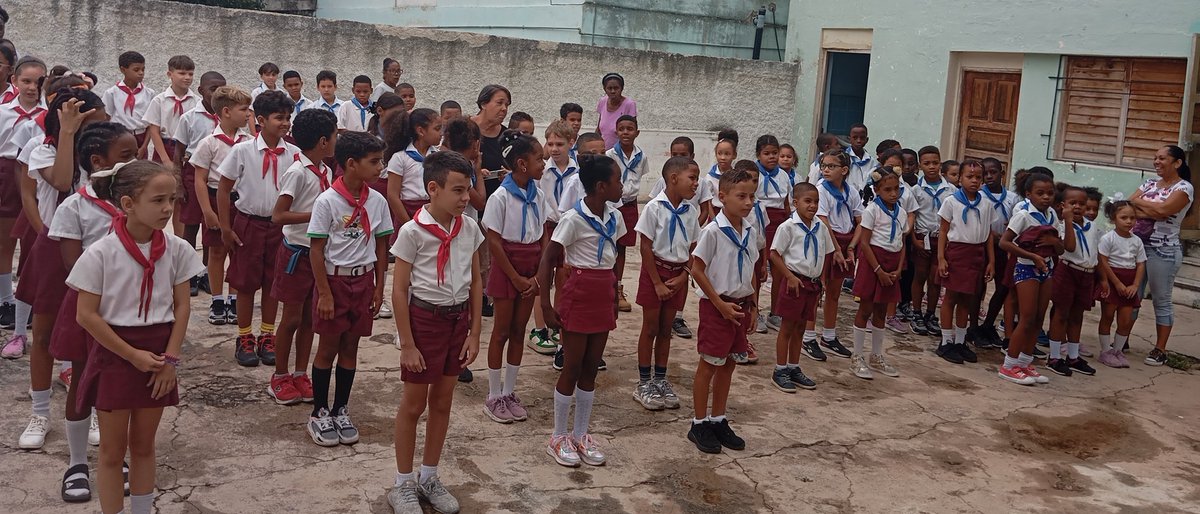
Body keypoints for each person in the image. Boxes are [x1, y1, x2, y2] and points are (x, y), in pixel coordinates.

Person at [69, 160, 205, 514]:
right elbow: (86, 315)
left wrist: (170, 360)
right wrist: (132, 355)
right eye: (158, 200)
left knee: (144, 445)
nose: (167, 209)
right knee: (113, 452)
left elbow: (182, 306)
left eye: (172, 200)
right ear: (128, 204)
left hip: (160, 354)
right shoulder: (100, 253)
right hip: (116, 353)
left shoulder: (177, 249)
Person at [47, 122, 137, 503]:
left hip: (131, 306)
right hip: (90, 307)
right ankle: (78, 462)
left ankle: (117, 457)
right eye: (127, 156)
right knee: (84, 381)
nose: (136, 162)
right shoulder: (74, 207)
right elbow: (73, 266)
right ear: (99, 162)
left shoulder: (136, 200)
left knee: (121, 387)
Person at [388, 150, 482, 514]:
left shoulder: (469, 227)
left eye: (468, 190)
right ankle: (403, 483)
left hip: (457, 322)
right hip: (424, 321)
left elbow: (475, 280)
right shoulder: (413, 232)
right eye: (458, 191)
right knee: (413, 405)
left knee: (443, 401)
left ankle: (429, 476)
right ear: (433, 188)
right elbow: (398, 290)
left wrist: (474, 332)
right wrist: (407, 344)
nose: (465, 198)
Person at [14, 87, 108, 451]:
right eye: (93, 123)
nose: (101, 130)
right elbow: (61, 179)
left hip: (97, 251)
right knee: (44, 335)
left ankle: (93, 406)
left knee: (91, 334)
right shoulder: (44, 151)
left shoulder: (102, 159)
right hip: (54, 249)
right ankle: (39, 412)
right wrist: (68, 133)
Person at [305, 131, 394, 446]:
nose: (380, 166)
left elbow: (383, 245)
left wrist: (379, 286)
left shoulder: (377, 200)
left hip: (363, 281)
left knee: (351, 348)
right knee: (328, 347)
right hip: (335, 281)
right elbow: (316, 249)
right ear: (351, 164)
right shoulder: (328, 200)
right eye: (374, 161)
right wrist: (325, 293)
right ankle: (319, 411)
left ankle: (341, 408)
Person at [538, 154, 625, 468]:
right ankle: (558, 436)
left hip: (602, 293)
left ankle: (581, 433)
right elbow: (549, 259)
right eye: (618, 180)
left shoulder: (616, 217)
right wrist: (546, 304)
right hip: (579, 292)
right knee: (572, 366)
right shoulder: (573, 218)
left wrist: (616, 292)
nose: (622, 185)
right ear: (602, 186)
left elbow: (615, 257)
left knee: (591, 367)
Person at [216, 90, 298, 367]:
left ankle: (266, 335)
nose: (285, 122)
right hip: (248, 223)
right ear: (261, 120)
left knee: (273, 284)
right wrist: (226, 228)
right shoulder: (242, 150)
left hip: (279, 228)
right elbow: (223, 188)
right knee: (245, 283)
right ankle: (244, 336)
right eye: (279, 118)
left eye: (288, 117)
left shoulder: (294, 154)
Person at [480, 130, 552, 423]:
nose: (543, 163)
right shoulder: (500, 197)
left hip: (531, 266)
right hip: (507, 267)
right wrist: (515, 277)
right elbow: (494, 241)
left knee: (520, 331)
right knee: (501, 331)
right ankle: (494, 395)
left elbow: (544, 235)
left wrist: (537, 275)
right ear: (522, 164)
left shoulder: (540, 195)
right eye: (538, 159)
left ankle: (510, 391)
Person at [266, 108, 336, 405]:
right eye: (333, 136)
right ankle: (279, 376)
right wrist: (318, 215)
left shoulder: (326, 171)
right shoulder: (297, 172)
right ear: (323, 141)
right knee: (291, 318)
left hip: (317, 255)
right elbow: (278, 215)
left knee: (311, 317)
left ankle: (299, 372)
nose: (336, 141)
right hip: (296, 254)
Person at [687, 167, 756, 454]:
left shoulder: (750, 229)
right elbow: (696, 268)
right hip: (717, 306)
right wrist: (719, 304)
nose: (748, 202)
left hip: (739, 305)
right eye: (741, 196)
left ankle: (718, 418)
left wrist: (752, 305)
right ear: (722, 196)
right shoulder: (713, 231)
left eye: (752, 196)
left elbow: (751, 269)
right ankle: (699, 422)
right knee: (709, 364)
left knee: (729, 363)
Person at [632, 156, 699, 410]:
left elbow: (694, 248)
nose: (696, 184)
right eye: (691, 178)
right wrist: (657, 282)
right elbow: (645, 247)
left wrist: (684, 276)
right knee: (650, 328)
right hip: (655, 273)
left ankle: (660, 379)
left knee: (666, 329)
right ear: (673, 179)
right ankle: (643, 382)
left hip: (678, 275)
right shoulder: (654, 208)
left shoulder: (690, 212)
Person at [189, 85, 250, 326]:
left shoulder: (249, 142)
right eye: (243, 109)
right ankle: (217, 299)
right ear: (226, 111)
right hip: (216, 200)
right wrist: (207, 211)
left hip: (241, 200)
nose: (248, 114)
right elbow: (200, 179)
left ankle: (234, 299)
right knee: (216, 252)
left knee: (238, 251)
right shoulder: (209, 143)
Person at [1129, 145, 1194, 366]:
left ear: (1177, 163)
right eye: (1155, 158)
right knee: (1131, 297)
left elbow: (1165, 211)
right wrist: (1154, 209)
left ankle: (1160, 349)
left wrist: (1143, 206)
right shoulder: (1148, 183)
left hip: (1163, 250)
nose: (1157, 162)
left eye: (1162, 158)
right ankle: (1122, 340)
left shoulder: (1184, 188)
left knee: (1161, 300)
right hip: (1137, 248)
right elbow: (1129, 205)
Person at [997, 172, 1063, 385]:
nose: (1046, 197)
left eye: (1050, 193)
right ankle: (1008, 365)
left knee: (1038, 318)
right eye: (1040, 193)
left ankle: (1025, 362)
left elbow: (1061, 247)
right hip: (1026, 269)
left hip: (1047, 268)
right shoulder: (1024, 215)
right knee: (1025, 317)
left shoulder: (1052, 214)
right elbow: (1005, 243)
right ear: (1028, 194)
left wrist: (1054, 242)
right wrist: (1032, 256)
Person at [0, 56, 46, 340]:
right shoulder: (3, 112)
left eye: (37, 82)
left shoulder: (49, 115)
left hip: (38, 178)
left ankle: (27, 300)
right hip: (5, 174)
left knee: (33, 242)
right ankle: (5, 299)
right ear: (14, 81)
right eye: (25, 81)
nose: (31, 88)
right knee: (5, 241)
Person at [768, 182, 827, 393]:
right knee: (787, 327)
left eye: (816, 202)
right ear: (795, 203)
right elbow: (774, 253)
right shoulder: (788, 227)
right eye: (808, 201)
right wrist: (789, 277)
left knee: (802, 327)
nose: (813, 206)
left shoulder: (820, 226)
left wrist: (822, 280)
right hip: (794, 282)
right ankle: (780, 369)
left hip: (812, 284)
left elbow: (825, 253)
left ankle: (794, 367)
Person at [935, 160, 993, 365]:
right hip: (957, 252)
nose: (974, 181)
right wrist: (941, 258)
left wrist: (991, 261)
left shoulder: (985, 203)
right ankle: (945, 341)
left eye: (978, 177)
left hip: (976, 254)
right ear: (960, 179)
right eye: (969, 176)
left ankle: (960, 341)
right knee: (950, 297)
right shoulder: (951, 202)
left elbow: (988, 235)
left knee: (967, 300)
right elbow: (943, 230)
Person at [849, 171, 906, 380]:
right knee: (865, 309)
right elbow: (864, 242)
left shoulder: (901, 212)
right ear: (877, 191)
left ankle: (876, 355)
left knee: (882, 311)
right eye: (887, 190)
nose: (893, 194)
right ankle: (857, 356)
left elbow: (902, 242)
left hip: (892, 263)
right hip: (873, 262)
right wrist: (878, 270)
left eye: (896, 189)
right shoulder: (872, 210)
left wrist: (899, 269)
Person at [528, 120, 577, 355]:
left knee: (564, 279)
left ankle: (557, 325)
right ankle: (539, 329)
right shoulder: (541, 172)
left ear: (571, 143)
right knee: (542, 279)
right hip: (546, 227)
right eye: (551, 143)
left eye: (560, 143)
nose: (555, 148)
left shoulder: (578, 172)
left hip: (569, 228)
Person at [1045, 184, 1098, 376]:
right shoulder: (1060, 226)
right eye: (1072, 203)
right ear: (1062, 205)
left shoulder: (1092, 226)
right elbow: (1069, 246)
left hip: (1086, 273)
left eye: (1082, 204)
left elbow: (1093, 251)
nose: (1078, 207)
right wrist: (1068, 221)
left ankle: (1073, 356)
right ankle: (1054, 357)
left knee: (1077, 315)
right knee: (1061, 314)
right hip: (1067, 271)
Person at [812, 151, 859, 360]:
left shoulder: (852, 192)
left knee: (834, 292)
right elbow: (823, 220)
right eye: (824, 165)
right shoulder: (821, 190)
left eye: (831, 166)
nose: (826, 170)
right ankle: (808, 336)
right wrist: (836, 250)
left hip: (845, 240)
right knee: (816, 291)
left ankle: (829, 336)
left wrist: (850, 247)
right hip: (826, 242)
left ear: (844, 170)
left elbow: (860, 221)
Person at [973, 157, 1019, 348]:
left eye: (994, 172)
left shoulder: (1012, 198)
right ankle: (973, 327)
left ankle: (988, 324)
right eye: (985, 173)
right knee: (978, 288)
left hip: (1004, 250)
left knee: (1003, 287)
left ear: (1002, 173)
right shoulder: (978, 196)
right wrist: (994, 236)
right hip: (983, 246)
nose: (989, 176)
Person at [909, 146, 954, 337]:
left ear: (940, 163)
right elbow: (910, 217)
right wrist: (914, 240)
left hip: (941, 239)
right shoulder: (915, 190)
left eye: (935, 163)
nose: (932, 167)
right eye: (927, 164)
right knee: (920, 276)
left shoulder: (951, 190)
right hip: (922, 238)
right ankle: (917, 313)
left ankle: (930, 314)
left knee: (936, 279)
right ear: (920, 166)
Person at [1096, 200, 1145, 369]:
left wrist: (1135, 285)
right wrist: (1115, 283)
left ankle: (1117, 350)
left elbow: (1140, 264)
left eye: (1132, 218)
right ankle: (1105, 351)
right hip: (1112, 280)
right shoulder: (1108, 238)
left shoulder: (1137, 241)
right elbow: (1103, 261)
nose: (1129, 221)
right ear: (1113, 218)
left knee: (1125, 320)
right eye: (1124, 217)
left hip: (1130, 282)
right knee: (1108, 316)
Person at [605, 114, 646, 313]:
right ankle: (606, 288)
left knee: (622, 248)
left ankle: (618, 288)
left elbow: (639, 178)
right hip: (613, 206)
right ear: (616, 132)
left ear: (637, 132)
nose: (625, 133)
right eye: (621, 129)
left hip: (630, 206)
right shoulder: (610, 155)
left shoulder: (642, 156)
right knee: (608, 245)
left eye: (630, 129)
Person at [754, 134, 789, 332]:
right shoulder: (753, 173)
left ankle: (775, 313)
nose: (772, 157)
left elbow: (785, 202)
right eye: (766, 153)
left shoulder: (783, 175)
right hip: (759, 222)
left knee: (779, 271)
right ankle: (755, 311)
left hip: (779, 223)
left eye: (775, 153)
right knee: (759, 271)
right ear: (758, 155)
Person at [385, 108, 442, 225]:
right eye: (437, 129)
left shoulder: (438, 156)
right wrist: (409, 224)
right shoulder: (400, 158)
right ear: (421, 131)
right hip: (407, 212)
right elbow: (392, 195)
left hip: (433, 211)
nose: (441, 133)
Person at [101, 51, 155, 157]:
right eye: (136, 69)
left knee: (141, 170)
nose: (141, 73)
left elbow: (151, 123)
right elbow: (106, 118)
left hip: (141, 137)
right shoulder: (112, 93)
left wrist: (144, 147)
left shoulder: (149, 93)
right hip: (119, 137)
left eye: (143, 69)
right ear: (123, 70)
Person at [595, 73, 636, 150]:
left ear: (622, 88)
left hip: (620, 152)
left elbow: (632, 132)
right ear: (604, 89)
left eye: (616, 88)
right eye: (609, 88)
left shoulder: (629, 104)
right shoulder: (602, 101)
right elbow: (599, 129)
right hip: (603, 152)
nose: (613, 91)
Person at [702, 130, 738, 219]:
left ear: (734, 155)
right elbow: (708, 202)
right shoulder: (710, 177)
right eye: (719, 153)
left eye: (727, 154)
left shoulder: (736, 176)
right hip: (715, 214)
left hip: (732, 214)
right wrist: (714, 220)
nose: (723, 157)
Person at [844, 123, 875, 193]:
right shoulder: (844, 158)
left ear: (867, 140)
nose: (858, 141)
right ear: (849, 139)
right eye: (855, 137)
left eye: (862, 138)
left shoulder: (871, 161)